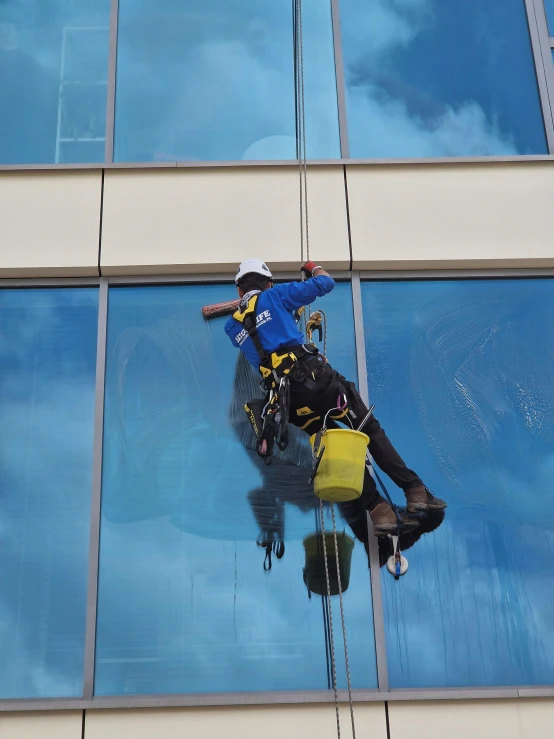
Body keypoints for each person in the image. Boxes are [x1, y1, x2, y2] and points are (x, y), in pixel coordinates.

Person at [224, 258, 447, 535]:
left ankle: (380, 511)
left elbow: (265, 333)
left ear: (238, 291)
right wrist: (313, 268)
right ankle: (414, 490)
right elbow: (325, 283)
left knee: (335, 447)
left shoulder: (233, 328)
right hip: (318, 383)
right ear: (268, 282)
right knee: (368, 429)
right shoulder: (276, 295)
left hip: (288, 402)